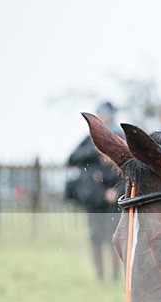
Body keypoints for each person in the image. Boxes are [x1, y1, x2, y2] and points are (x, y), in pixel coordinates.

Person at [67, 101, 125, 281]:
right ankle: (100, 278)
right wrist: (97, 147)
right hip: (95, 198)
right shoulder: (90, 140)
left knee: (114, 238)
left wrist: (117, 192)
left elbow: (129, 170)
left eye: (104, 114)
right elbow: (72, 158)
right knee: (96, 239)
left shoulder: (120, 136)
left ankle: (115, 278)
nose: (102, 117)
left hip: (115, 198)